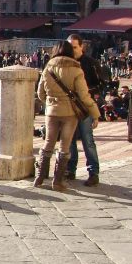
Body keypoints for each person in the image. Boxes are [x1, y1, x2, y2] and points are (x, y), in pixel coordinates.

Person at [34, 41, 100, 190]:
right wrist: (95, 114)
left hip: (51, 111)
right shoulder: (76, 69)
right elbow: (84, 96)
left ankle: (39, 178)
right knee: (65, 145)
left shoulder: (48, 67)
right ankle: (57, 181)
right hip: (70, 113)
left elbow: (40, 93)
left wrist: (51, 102)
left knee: (48, 143)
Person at [66, 34, 104, 186]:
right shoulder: (65, 63)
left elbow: (101, 84)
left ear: (81, 47)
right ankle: (70, 169)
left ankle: (93, 172)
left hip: (84, 107)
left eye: (74, 47)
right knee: (69, 141)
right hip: (68, 107)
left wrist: (86, 91)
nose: (72, 50)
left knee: (88, 140)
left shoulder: (91, 63)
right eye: (70, 47)